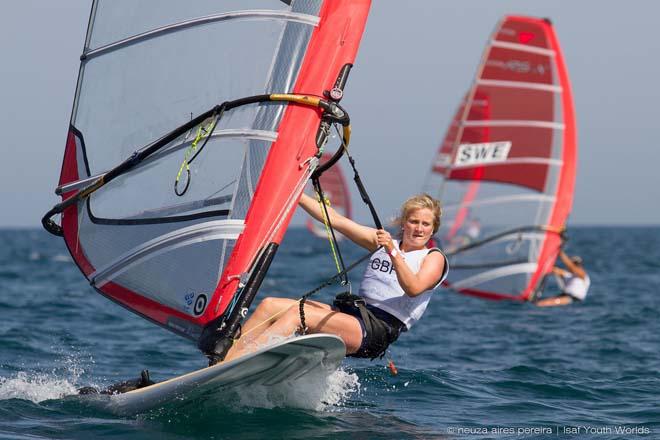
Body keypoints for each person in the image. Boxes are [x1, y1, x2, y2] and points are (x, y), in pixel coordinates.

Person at [222, 193, 448, 362]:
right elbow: (334, 220)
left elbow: (414, 288)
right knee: (270, 305)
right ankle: (224, 361)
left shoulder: (432, 257)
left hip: (377, 330)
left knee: (296, 315)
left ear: (433, 229)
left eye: (425, 224)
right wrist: (296, 193)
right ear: (403, 222)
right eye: (413, 221)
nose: (418, 228)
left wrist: (392, 251)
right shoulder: (382, 242)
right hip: (354, 315)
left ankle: (242, 362)